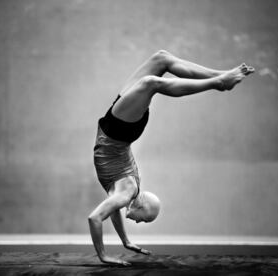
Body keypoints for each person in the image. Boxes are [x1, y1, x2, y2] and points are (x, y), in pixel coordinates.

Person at [88, 50, 255, 266]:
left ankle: (221, 78)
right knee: (152, 81)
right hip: (118, 130)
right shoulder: (126, 193)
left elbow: (112, 211)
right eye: (144, 219)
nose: (138, 222)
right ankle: (219, 81)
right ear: (138, 207)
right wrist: (103, 256)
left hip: (118, 128)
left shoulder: (127, 192)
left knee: (161, 60)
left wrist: (126, 241)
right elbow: (95, 218)